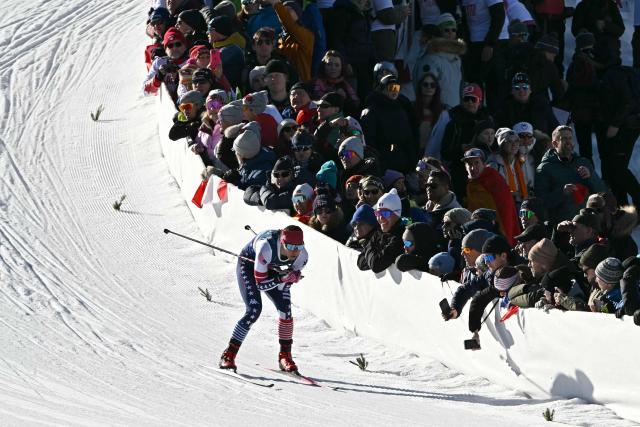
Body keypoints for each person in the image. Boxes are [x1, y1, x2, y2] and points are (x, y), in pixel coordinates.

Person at [219, 225, 308, 372]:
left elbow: (284, 284)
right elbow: (260, 285)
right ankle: (229, 354)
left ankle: (285, 356)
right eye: (290, 246)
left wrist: (291, 277)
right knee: (254, 309)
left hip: (273, 270)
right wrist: (282, 278)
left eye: (298, 246)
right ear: (282, 242)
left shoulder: (303, 256)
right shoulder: (266, 248)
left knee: (286, 312)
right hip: (249, 266)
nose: (294, 251)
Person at [535, 125, 608, 224]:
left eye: (570, 138)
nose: (568, 141)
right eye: (564, 139)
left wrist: (591, 177)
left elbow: (602, 192)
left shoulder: (584, 162)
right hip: (563, 225)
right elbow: (541, 204)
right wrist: (562, 193)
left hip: (587, 223)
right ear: (555, 143)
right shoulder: (544, 168)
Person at [441, 83, 491, 198]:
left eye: (473, 99)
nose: (469, 102)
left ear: (480, 101)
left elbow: (493, 147)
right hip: (459, 173)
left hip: (484, 172)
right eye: (466, 99)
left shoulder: (487, 121)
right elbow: (445, 152)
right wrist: (461, 149)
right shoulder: (453, 122)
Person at [360, 74, 418, 173]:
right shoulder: (371, 111)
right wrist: (378, 161)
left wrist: (412, 161)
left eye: (397, 88)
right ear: (383, 89)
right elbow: (369, 140)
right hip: (383, 161)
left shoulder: (402, 108)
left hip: (402, 160)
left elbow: (409, 138)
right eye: (391, 87)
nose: (394, 91)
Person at [463, 148, 520, 245]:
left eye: (476, 163)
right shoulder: (471, 184)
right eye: (469, 164)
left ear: (484, 164)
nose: (473, 168)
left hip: (496, 229)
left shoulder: (494, 179)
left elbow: (505, 209)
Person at [357, 189, 406, 272]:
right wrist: (374, 250)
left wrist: (370, 245)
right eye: (378, 213)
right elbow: (360, 263)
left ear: (397, 213)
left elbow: (376, 265)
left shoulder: (401, 236)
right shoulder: (379, 232)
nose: (381, 218)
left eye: (385, 214)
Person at [265, 0, 315, 81]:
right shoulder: (281, 37)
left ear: (298, 14)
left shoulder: (307, 34)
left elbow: (290, 25)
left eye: (289, 10)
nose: (285, 12)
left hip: (300, 83)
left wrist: (276, 3)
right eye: (284, 10)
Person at [487, 128, 533, 206]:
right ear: (502, 145)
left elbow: (529, 184)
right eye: (509, 141)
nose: (514, 144)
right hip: (504, 205)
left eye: (516, 141)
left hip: (523, 204)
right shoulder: (494, 165)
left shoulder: (521, 162)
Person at [312, 50, 360, 117]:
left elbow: (355, 106)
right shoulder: (314, 84)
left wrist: (344, 99)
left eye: (337, 65)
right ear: (323, 66)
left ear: (342, 67)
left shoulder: (346, 85)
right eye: (329, 64)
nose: (333, 68)